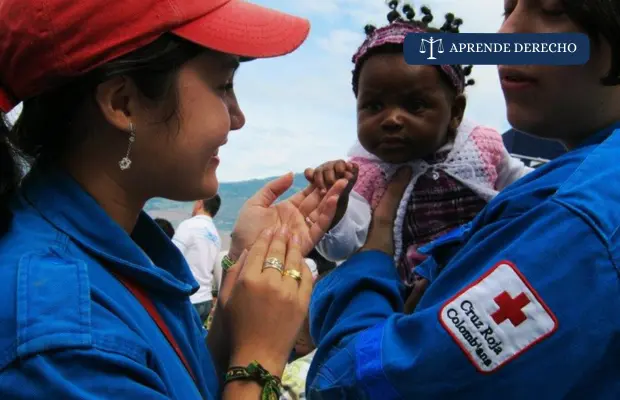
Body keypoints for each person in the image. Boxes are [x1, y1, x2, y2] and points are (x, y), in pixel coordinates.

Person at [0, 1, 350, 399]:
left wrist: (244, 271)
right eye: (224, 86)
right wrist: (259, 360)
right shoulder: (62, 336)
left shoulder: (122, 254)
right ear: (123, 103)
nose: (238, 117)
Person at [307, 0, 620, 398]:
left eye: (553, 8)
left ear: (455, 111)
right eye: (507, 9)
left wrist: (371, 261)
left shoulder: (580, 219)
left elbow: (353, 384)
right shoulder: (567, 185)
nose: (505, 35)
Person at [306, 1, 531, 287]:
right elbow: (342, 248)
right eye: (374, 106)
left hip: (491, 277)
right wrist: (337, 209)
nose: (392, 119)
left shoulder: (482, 144)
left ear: (455, 113)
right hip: (408, 299)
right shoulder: (364, 174)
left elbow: (526, 186)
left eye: (415, 105)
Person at [173, 195, 222, 323]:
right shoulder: (216, 235)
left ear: (200, 203)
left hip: (188, 298)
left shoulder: (189, 225)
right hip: (206, 299)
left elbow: (172, 256)